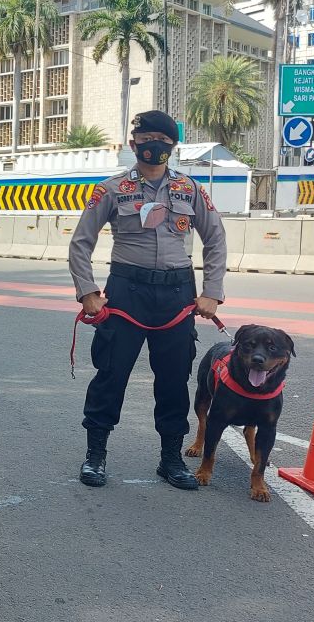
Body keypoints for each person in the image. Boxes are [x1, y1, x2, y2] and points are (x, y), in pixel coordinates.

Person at [68, 110, 226, 490]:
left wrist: (211, 293)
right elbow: (81, 243)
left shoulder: (190, 189)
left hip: (176, 294)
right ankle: (96, 456)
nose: (153, 145)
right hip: (126, 292)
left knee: (174, 380)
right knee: (111, 375)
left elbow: (215, 238)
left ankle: (171, 459)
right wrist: (88, 292)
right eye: (146, 137)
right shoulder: (109, 189)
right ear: (133, 143)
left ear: (172, 146)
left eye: (162, 138)